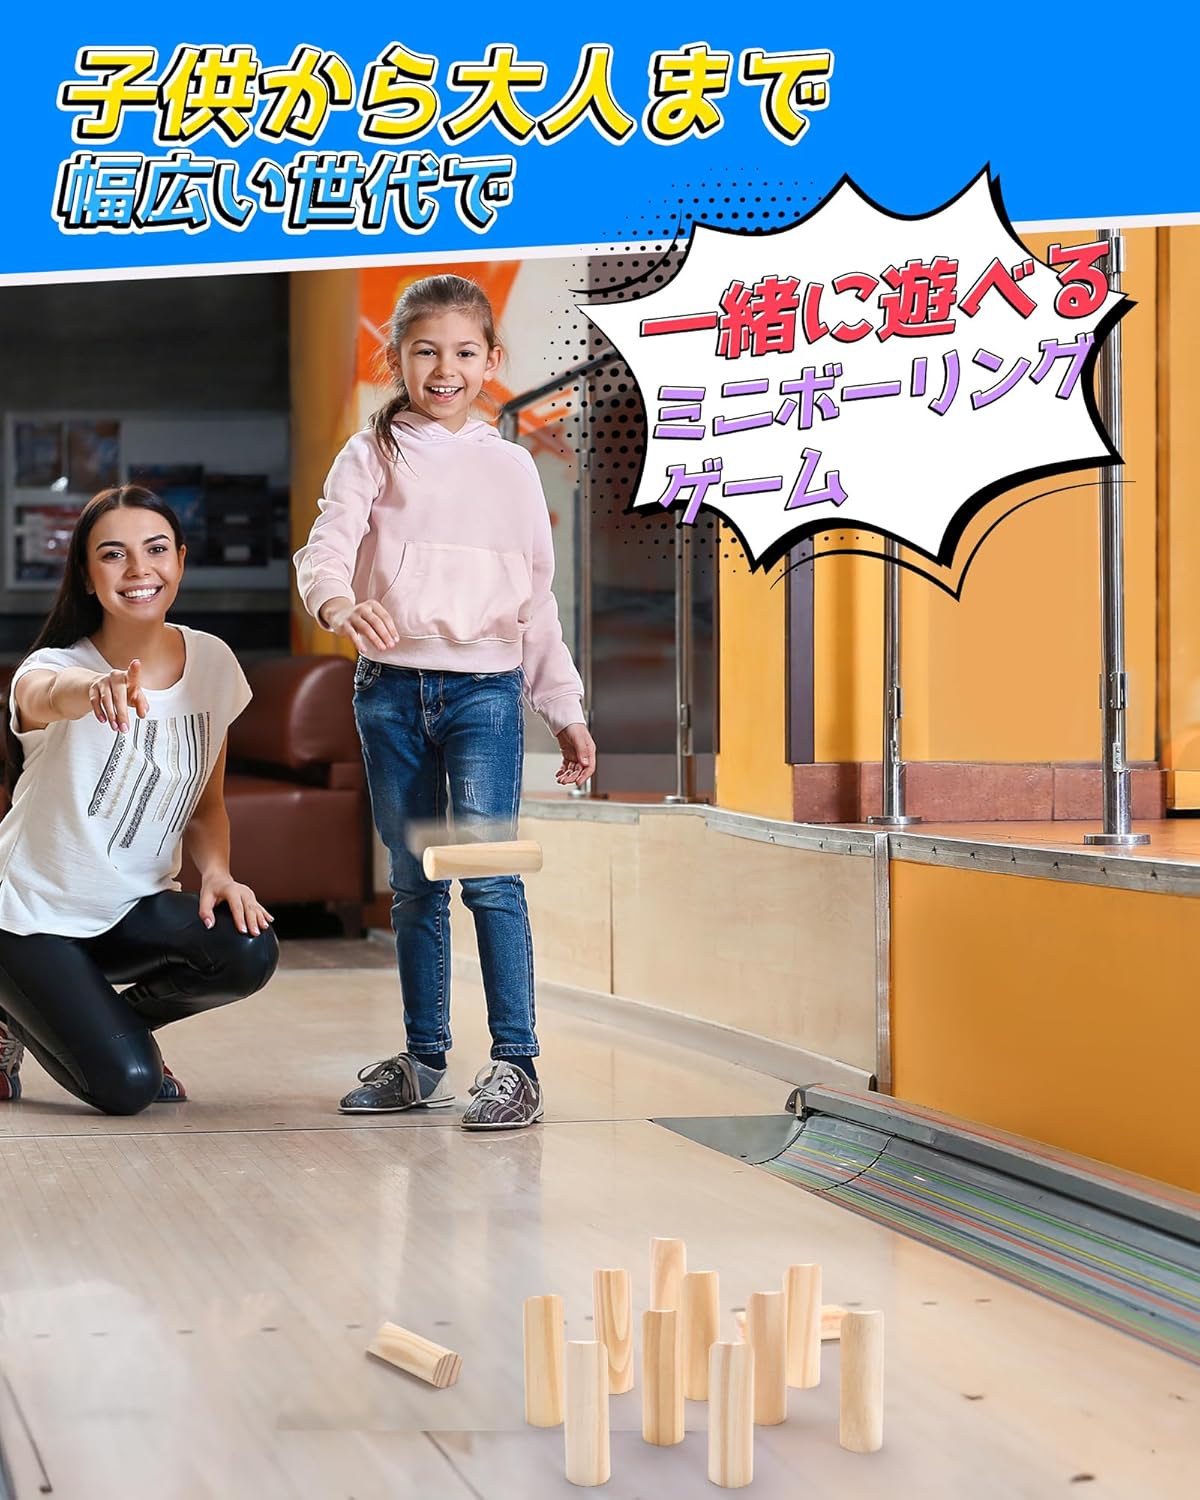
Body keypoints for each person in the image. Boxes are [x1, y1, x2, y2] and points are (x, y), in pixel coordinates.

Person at [294, 273, 596, 1130]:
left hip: (488, 697)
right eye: (425, 350)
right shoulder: (369, 454)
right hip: (389, 690)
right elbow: (325, 550)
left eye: (464, 352)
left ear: (492, 361)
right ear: (396, 358)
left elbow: (537, 601)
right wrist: (341, 605)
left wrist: (563, 710)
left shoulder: (511, 469)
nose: (444, 368)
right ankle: (424, 1057)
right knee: (416, 880)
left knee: (490, 878)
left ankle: (517, 1064)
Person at [0, 485, 278, 1115]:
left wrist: (217, 875)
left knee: (246, 947)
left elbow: (206, 806)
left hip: (127, 911)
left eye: (155, 550)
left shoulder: (212, 662)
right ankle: (22, 1005)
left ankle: (62, 1019)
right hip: (25, 918)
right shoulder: (52, 666)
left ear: (179, 559)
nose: (138, 571)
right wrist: (93, 687)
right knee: (128, 1085)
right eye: (112, 555)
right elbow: (46, 692)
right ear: (87, 574)